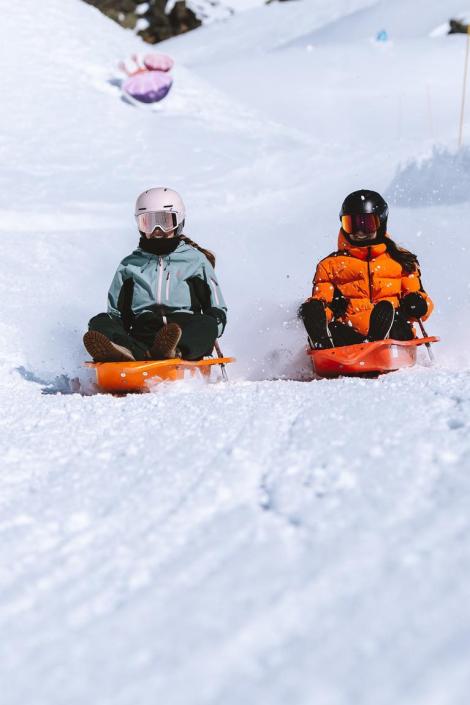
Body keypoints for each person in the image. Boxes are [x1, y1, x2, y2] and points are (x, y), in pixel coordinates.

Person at [83, 187, 227, 362]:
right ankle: (124, 351)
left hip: (184, 333)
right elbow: (117, 316)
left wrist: (211, 328)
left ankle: (174, 352)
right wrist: (110, 332)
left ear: (179, 220)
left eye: (165, 221)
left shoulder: (196, 261)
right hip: (143, 336)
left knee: (207, 323)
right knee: (99, 321)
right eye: (148, 223)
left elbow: (217, 310)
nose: (157, 230)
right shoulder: (130, 265)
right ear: (140, 225)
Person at [299, 189, 433, 349]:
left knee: (390, 314)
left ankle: (377, 339)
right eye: (352, 225)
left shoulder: (401, 260)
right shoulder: (329, 265)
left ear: (381, 223)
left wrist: (418, 304)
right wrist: (317, 313)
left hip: (395, 333)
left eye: (366, 224)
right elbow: (324, 301)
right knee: (331, 324)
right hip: (352, 338)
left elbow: (423, 304)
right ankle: (324, 341)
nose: (359, 232)